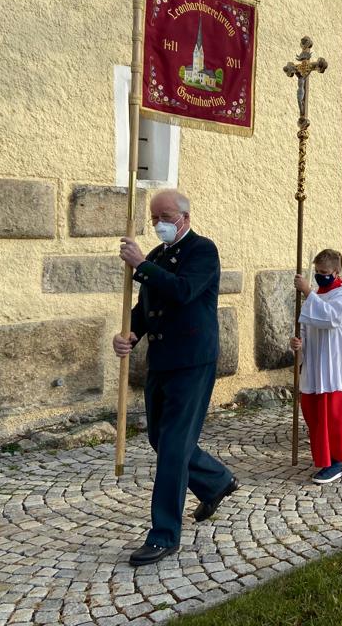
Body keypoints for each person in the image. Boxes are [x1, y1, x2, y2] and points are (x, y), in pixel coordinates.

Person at [113, 190, 238, 567]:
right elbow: (146, 307)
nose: (158, 224)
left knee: (173, 448)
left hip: (192, 361)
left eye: (164, 217)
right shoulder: (155, 257)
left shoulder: (203, 250)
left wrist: (140, 265)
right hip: (162, 360)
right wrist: (130, 333)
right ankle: (216, 481)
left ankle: (164, 534)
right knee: (159, 437)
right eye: (154, 218)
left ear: (184, 217)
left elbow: (183, 291)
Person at [289, 249, 342, 485]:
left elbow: (330, 319)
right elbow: (307, 325)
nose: (320, 276)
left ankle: (335, 463)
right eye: (318, 271)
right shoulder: (318, 294)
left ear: (336, 272)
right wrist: (299, 342)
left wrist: (307, 291)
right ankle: (323, 457)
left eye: (325, 272)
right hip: (315, 364)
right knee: (315, 414)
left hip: (335, 367)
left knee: (332, 417)